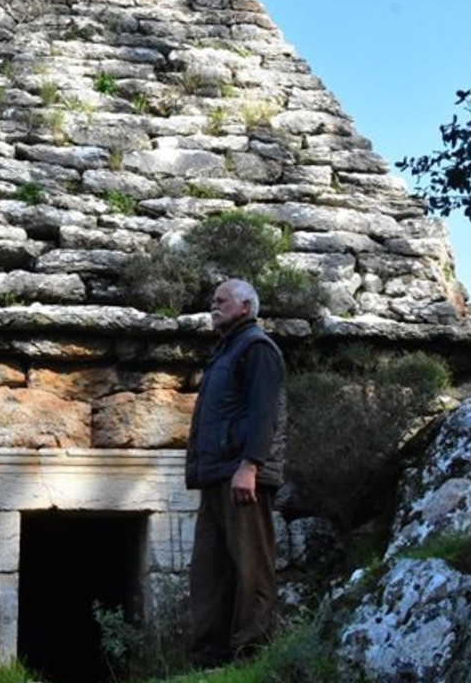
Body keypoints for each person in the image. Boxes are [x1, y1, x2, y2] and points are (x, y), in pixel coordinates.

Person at [184, 278, 286, 667]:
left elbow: (265, 413)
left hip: (242, 476)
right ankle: (209, 661)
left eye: (222, 300)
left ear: (246, 307)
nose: (214, 305)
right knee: (209, 573)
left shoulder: (257, 349)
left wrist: (250, 466)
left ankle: (251, 657)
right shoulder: (225, 351)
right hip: (215, 477)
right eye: (213, 300)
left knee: (251, 570)